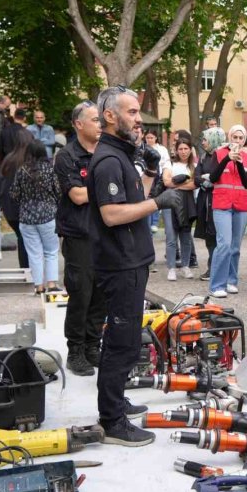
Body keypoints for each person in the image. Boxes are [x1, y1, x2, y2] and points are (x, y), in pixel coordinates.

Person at [86, 85, 179, 446]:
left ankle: (116, 402)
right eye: (132, 112)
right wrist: (159, 203)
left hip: (131, 259)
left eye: (138, 112)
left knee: (124, 337)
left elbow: (132, 195)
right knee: (121, 341)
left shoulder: (120, 154)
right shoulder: (109, 159)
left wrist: (151, 172)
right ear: (110, 116)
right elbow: (112, 214)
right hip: (120, 263)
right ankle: (112, 420)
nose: (139, 120)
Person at [54, 100, 106, 376]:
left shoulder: (106, 151)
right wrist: (109, 189)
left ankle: (92, 346)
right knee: (81, 293)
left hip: (106, 233)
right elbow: (77, 195)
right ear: (78, 124)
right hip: (79, 235)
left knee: (101, 294)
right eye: (95, 120)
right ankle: (75, 351)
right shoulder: (67, 156)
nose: (101, 125)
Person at [11, 140, 62, 294]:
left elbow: (14, 193)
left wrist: (25, 201)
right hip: (48, 215)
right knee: (51, 251)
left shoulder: (21, 170)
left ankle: (38, 286)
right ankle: (52, 284)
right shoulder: (50, 169)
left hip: (26, 217)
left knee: (34, 253)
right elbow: (58, 191)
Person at [208, 125, 247, 297]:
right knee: (224, 244)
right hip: (222, 204)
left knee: (235, 246)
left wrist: (239, 163)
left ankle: (231, 281)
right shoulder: (219, 153)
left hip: (240, 204)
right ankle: (217, 285)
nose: (238, 141)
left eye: (241, 138)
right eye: (235, 137)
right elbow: (213, 177)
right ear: (230, 138)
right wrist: (227, 159)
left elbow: (246, 183)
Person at [0, 129, 34, 269]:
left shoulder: (8, 159)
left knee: (22, 237)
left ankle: (25, 268)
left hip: (9, 207)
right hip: (26, 207)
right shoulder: (31, 161)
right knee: (29, 239)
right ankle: (31, 270)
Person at [163, 139, 198, 281]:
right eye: (181, 149)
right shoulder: (170, 164)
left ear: (190, 149)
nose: (183, 152)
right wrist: (185, 182)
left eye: (186, 148)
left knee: (186, 236)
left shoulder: (194, 166)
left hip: (187, 203)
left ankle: (185, 265)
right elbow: (166, 181)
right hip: (170, 202)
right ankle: (171, 268)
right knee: (171, 236)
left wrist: (176, 184)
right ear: (176, 150)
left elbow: (194, 184)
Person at [194, 127, 226, 280]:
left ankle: (218, 268)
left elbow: (221, 177)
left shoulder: (222, 156)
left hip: (218, 200)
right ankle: (211, 266)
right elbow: (196, 177)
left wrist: (210, 179)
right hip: (204, 200)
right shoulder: (203, 157)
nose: (203, 142)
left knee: (218, 235)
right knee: (208, 235)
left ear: (214, 140)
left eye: (205, 139)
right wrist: (206, 179)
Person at [144, 129, 169, 234]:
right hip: (146, 174)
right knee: (147, 198)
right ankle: (148, 223)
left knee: (155, 197)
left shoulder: (162, 149)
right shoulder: (143, 148)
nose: (149, 140)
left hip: (158, 176)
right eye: (147, 137)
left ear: (156, 138)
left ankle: (154, 222)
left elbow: (166, 163)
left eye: (151, 138)